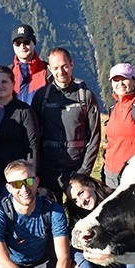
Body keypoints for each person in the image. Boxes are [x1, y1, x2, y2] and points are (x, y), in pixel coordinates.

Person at [29, 47, 101, 204]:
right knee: (50, 215)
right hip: (48, 169)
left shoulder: (86, 96)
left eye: (64, 66)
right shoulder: (41, 96)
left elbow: (95, 136)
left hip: (76, 168)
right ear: (49, 68)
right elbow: (33, 135)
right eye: (55, 68)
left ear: (72, 64)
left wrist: (84, 171)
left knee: (79, 215)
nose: (60, 71)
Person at [0, 66, 39, 218]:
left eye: (4, 81)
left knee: (13, 218)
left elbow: (33, 146)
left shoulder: (24, 111)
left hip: (16, 180)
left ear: (13, 83)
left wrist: (31, 180)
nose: (0, 85)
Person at [0, 24, 47, 105]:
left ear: (33, 43)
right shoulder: (5, 75)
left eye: (26, 42)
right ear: (13, 46)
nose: (22, 46)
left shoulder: (49, 73)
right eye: (18, 43)